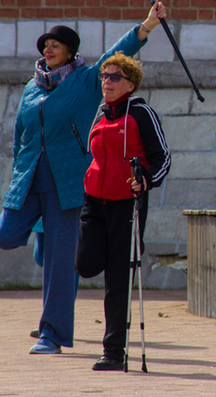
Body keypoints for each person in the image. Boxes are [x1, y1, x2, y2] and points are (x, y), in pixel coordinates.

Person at [0, 1, 167, 355]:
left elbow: (118, 54)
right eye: (45, 45)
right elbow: (20, 134)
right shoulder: (32, 87)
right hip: (28, 179)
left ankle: (52, 335)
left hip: (67, 183)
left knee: (60, 264)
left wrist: (146, 26)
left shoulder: (87, 80)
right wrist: (16, 174)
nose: (48, 49)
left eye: (55, 45)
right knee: (5, 235)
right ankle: (43, 242)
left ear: (70, 51)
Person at [75, 53, 171, 371]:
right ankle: (121, 255)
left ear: (130, 83)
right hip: (94, 202)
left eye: (115, 77)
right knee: (86, 264)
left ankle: (114, 352)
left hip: (126, 205)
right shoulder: (101, 114)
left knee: (118, 280)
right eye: (104, 75)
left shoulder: (140, 112)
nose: (107, 82)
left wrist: (144, 180)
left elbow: (163, 159)